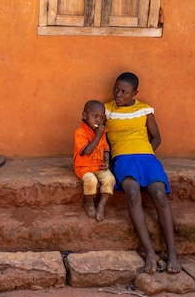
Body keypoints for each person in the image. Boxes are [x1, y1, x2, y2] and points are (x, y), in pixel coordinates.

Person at [105, 72, 180, 274]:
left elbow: (157, 138)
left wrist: (147, 155)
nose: (118, 94)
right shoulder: (107, 110)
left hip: (147, 158)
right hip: (122, 159)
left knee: (158, 194)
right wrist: (109, 160)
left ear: (134, 93)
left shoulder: (144, 109)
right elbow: (100, 138)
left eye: (124, 92)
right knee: (132, 192)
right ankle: (149, 253)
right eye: (116, 89)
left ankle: (172, 253)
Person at [73, 100, 116, 221]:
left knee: (110, 179)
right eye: (95, 116)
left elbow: (106, 150)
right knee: (91, 180)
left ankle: (101, 205)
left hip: (98, 166)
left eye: (101, 118)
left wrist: (106, 162)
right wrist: (98, 136)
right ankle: (89, 203)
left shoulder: (102, 133)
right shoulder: (80, 133)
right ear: (85, 116)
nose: (98, 120)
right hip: (83, 167)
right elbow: (87, 151)